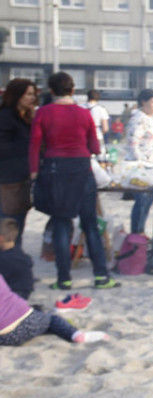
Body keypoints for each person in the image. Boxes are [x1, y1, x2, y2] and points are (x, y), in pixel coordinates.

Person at [29, 72, 119, 291]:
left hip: (54, 170)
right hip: (81, 169)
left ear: (51, 91)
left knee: (61, 223)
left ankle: (64, 279)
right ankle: (101, 277)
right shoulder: (83, 114)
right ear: (72, 90)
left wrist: (33, 173)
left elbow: (34, 144)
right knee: (90, 224)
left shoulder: (43, 113)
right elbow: (95, 148)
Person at [0, 274, 109, 346]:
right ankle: (77, 335)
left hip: (3, 338)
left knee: (39, 324)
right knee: (52, 320)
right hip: (27, 321)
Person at [0, 78, 37, 248]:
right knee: (8, 228)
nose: (33, 98)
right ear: (17, 95)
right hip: (7, 182)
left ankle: (15, 268)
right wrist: (30, 144)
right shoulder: (6, 117)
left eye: (34, 94)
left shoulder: (26, 118)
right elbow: (3, 146)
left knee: (18, 228)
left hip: (22, 180)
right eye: (29, 94)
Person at [126, 88, 153, 235]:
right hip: (141, 166)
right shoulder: (138, 118)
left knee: (148, 201)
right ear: (143, 102)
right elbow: (133, 144)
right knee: (142, 201)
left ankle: (141, 232)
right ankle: (137, 233)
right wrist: (141, 163)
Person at [0, 218, 33, 300]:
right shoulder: (16, 250)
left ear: (1, 238)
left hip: (15, 295)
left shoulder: (6, 259)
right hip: (22, 291)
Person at [82, 89, 110, 155]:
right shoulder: (101, 109)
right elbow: (105, 128)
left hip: (82, 136)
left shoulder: (80, 107)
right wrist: (100, 133)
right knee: (99, 157)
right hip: (97, 135)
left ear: (87, 97)